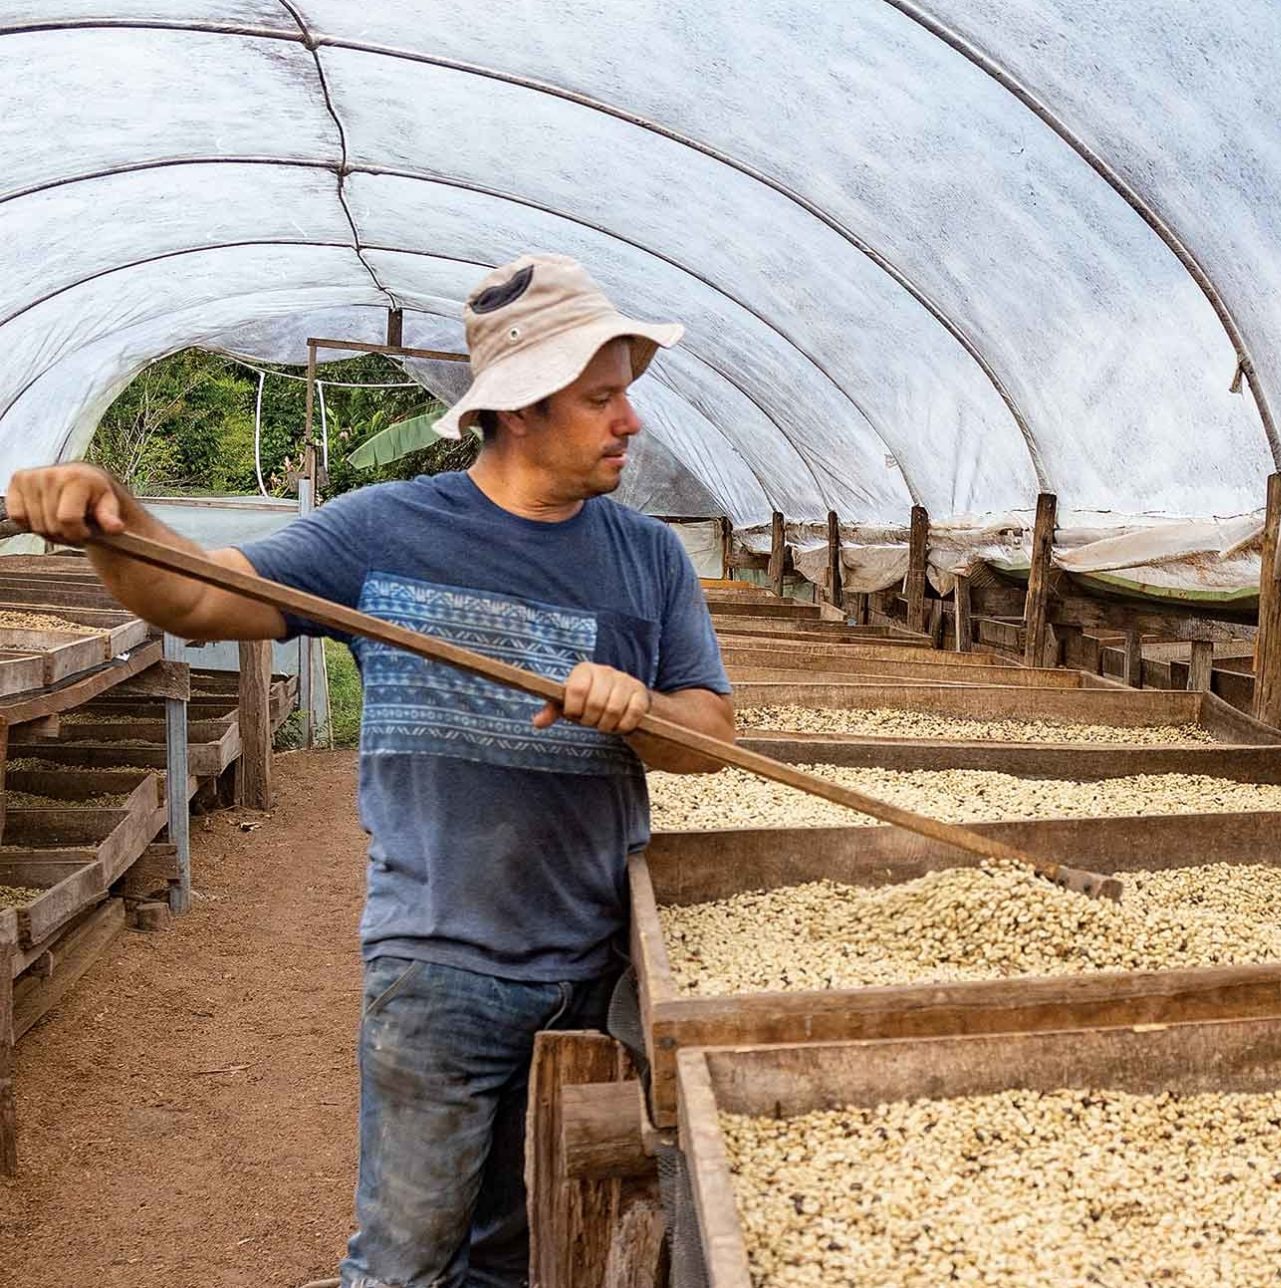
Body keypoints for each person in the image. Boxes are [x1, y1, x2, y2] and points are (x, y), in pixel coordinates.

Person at [5, 253, 737, 1288]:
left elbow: (712, 733)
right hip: (442, 968)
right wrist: (110, 517)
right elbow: (200, 598)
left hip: (598, 968)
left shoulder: (648, 556)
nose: (632, 423)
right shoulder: (385, 531)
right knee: (405, 1261)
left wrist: (642, 710)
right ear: (520, 408)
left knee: (516, 1252)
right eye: (604, 398)